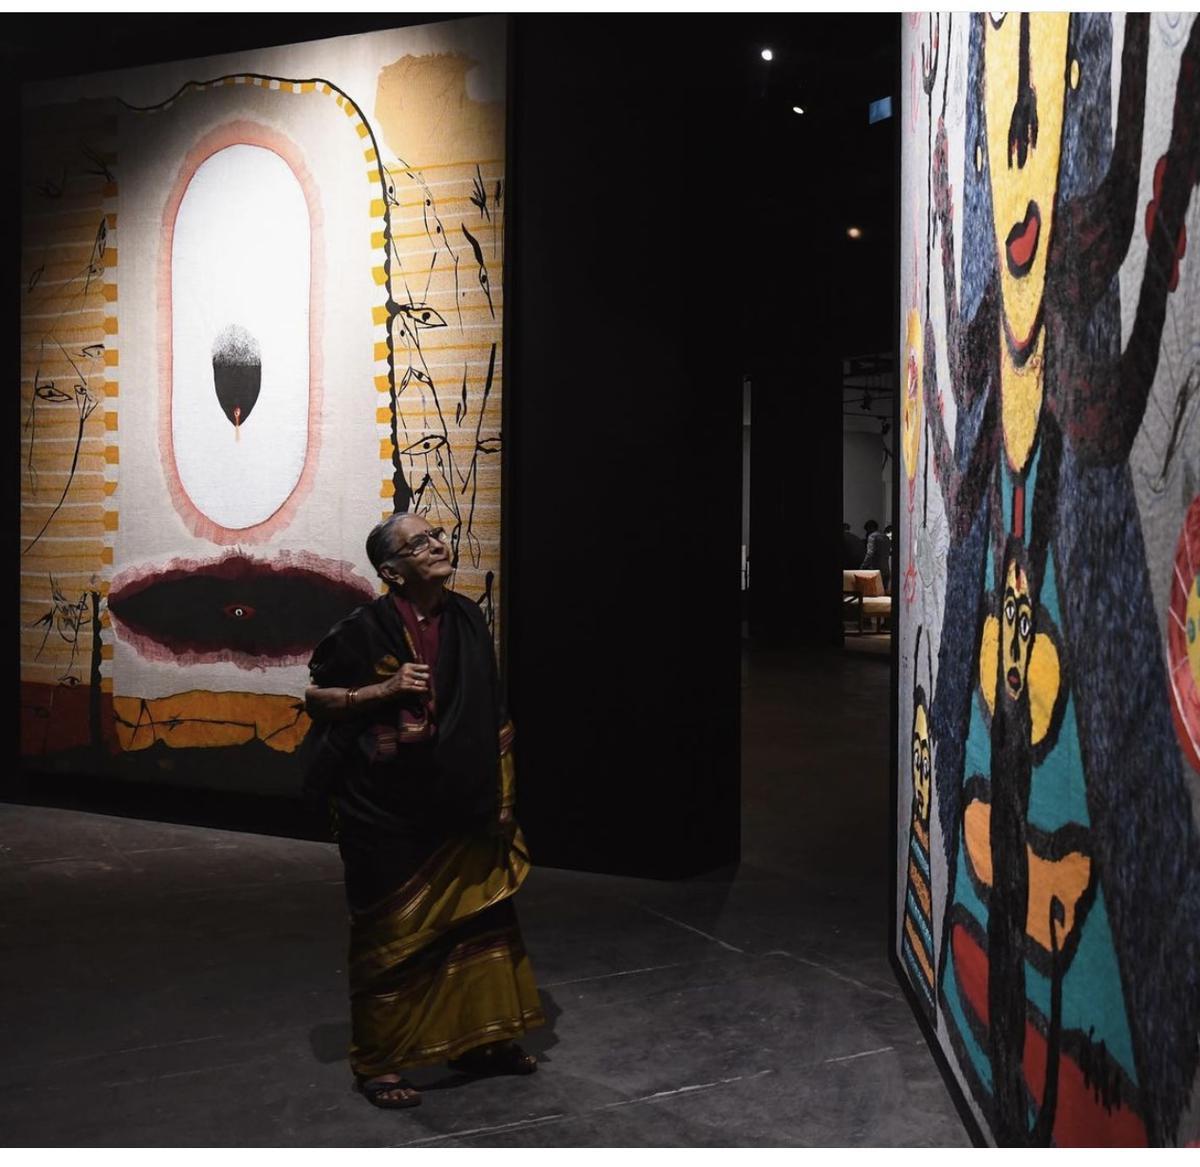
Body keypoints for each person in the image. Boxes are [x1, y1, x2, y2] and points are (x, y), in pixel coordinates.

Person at [304, 512, 543, 1109]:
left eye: (437, 535)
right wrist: (382, 693)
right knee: (392, 937)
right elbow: (316, 699)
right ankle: (379, 1061)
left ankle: (478, 1042)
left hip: (460, 803)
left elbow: (489, 708)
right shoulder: (363, 628)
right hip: (385, 814)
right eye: (420, 543)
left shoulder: (465, 616)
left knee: (477, 925)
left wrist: (500, 792)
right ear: (391, 570)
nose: (438, 544)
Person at [860, 519, 891, 590]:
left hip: (874, 570)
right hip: (886, 569)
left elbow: (870, 554)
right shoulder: (885, 537)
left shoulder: (872, 537)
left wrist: (862, 566)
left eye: (867, 530)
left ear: (870, 528)